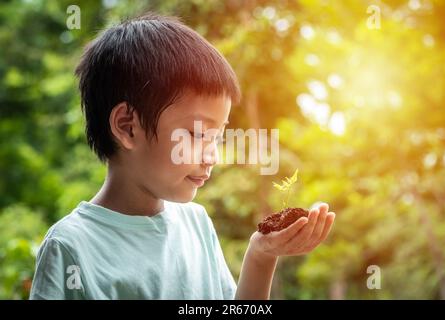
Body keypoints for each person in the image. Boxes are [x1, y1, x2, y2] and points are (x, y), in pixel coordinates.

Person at [29, 12, 335, 300]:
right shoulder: (70, 247)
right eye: (198, 134)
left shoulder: (196, 223)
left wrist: (262, 255)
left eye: (216, 137)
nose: (212, 156)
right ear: (127, 127)